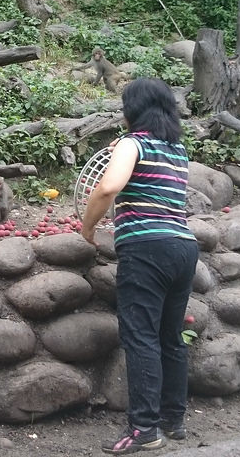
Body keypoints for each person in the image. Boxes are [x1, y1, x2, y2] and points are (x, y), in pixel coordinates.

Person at [80, 77, 199, 454]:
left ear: (133, 110)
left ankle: (144, 429)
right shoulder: (176, 149)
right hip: (183, 247)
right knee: (169, 337)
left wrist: (87, 226)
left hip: (147, 249)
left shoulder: (133, 143)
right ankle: (173, 419)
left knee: (141, 338)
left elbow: (108, 187)